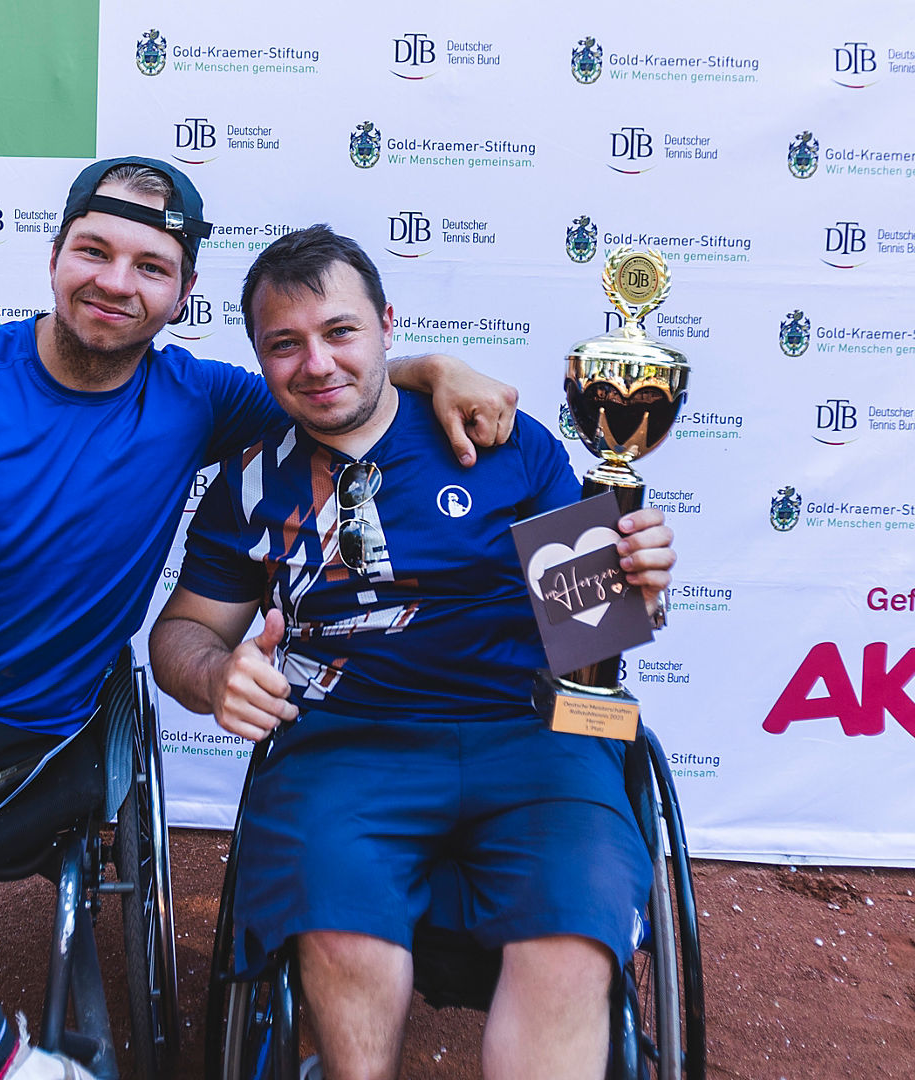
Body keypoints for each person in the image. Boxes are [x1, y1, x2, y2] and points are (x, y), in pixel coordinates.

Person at [0, 160, 519, 1080]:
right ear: (53, 257)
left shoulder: (199, 400)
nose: (118, 282)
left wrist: (433, 366)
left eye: (151, 267)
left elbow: (328, 383)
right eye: (95, 251)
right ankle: (13, 1063)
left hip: (54, 741)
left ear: (182, 295)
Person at [148, 225, 677, 1080]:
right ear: (259, 357)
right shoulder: (250, 480)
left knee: (571, 945)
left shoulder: (511, 444)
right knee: (342, 929)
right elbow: (182, 633)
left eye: (340, 332)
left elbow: (592, 633)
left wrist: (634, 586)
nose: (316, 363)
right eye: (285, 345)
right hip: (346, 744)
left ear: (388, 327)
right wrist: (217, 675)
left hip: (529, 739)